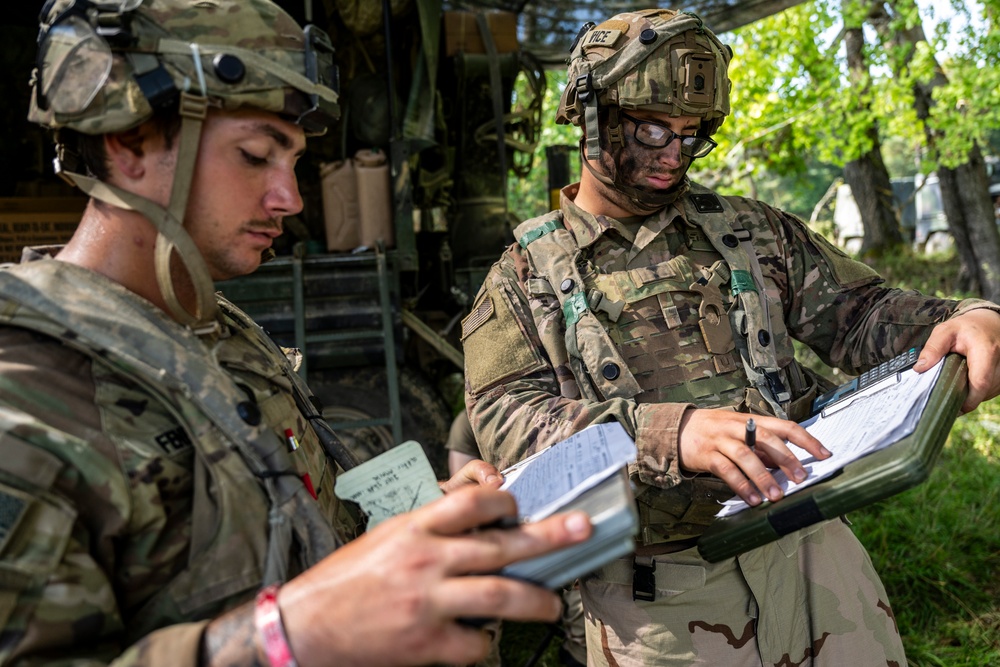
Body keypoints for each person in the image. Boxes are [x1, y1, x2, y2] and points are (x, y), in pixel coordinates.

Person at [0, 1, 594, 665]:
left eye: (292, 160)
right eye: (255, 156)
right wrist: (288, 635)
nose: (291, 198)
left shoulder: (224, 335)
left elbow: (296, 537)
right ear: (128, 142)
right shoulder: (23, 395)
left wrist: (420, 525)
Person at [462, 8, 1000, 666]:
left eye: (693, 134)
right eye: (655, 127)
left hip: (814, 555)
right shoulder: (523, 278)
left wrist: (972, 316)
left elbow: (862, 313)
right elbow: (511, 425)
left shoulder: (751, 230)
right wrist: (671, 433)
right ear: (591, 114)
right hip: (660, 606)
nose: (674, 153)